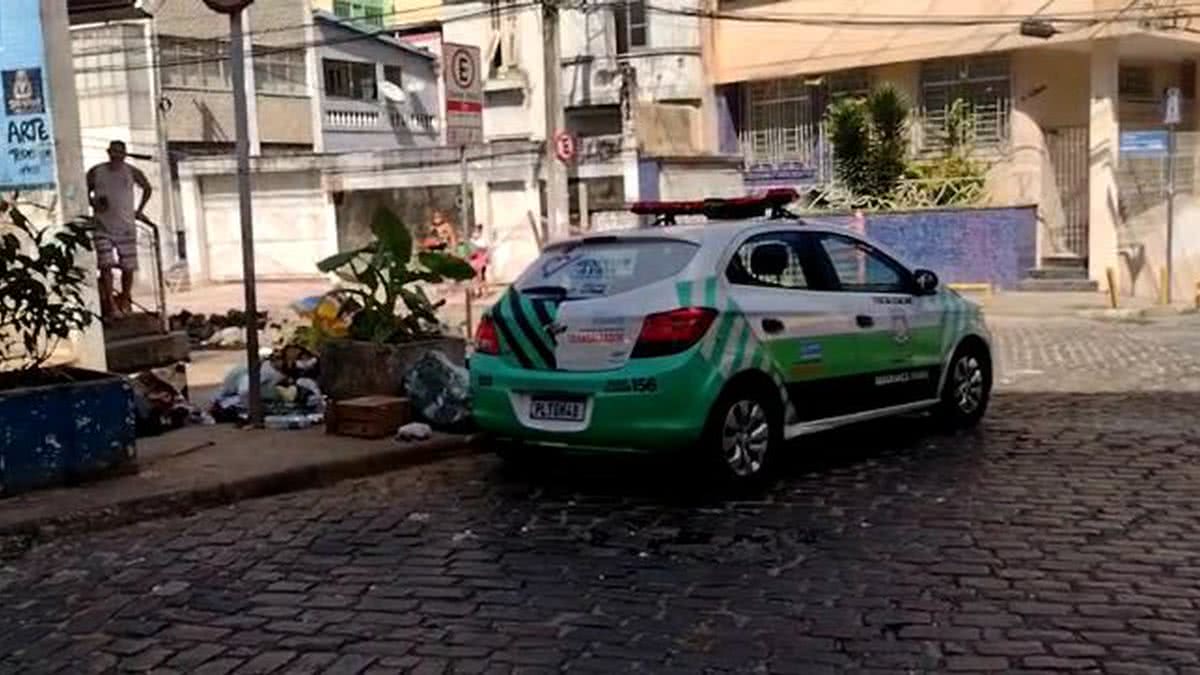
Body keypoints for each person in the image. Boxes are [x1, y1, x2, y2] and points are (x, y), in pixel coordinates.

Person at [88, 140, 152, 318]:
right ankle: (110, 303)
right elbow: (84, 189)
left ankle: (125, 300)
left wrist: (139, 211)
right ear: (108, 152)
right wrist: (93, 202)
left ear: (124, 154)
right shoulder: (97, 171)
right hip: (102, 225)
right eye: (113, 152)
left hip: (125, 226)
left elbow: (147, 187)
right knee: (106, 266)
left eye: (119, 152)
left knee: (128, 267)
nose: (116, 156)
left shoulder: (131, 171)